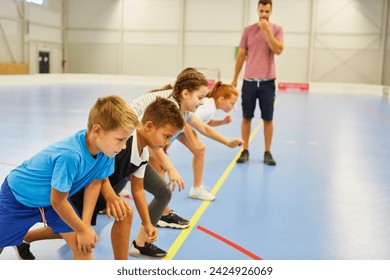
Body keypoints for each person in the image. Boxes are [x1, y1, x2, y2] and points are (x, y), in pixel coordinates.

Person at [7, 97, 185, 260]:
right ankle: (20, 237)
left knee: (84, 243)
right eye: (121, 139)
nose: (123, 146)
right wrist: (91, 220)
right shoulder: (79, 153)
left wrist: (85, 225)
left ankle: (24, 238)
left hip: (57, 200)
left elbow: (99, 181)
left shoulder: (112, 150)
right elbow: (62, 198)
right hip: (29, 197)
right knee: (77, 233)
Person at [131, 69, 244, 228]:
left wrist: (227, 142)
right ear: (185, 94)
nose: (203, 102)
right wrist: (171, 168)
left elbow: (204, 128)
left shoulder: (181, 108)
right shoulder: (170, 107)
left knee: (160, 191)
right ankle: (158, 219)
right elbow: (151, 142)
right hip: (126, 147)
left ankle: (156, 220)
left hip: (135, 148)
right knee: (156, 185)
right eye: (200, 97)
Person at [164, 81, 239, 202]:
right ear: (221, 99)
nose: (232, 107)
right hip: (177, 128)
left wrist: (222, 122)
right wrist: (194, 141)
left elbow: (204, 123)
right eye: (231, 103)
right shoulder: (208, 108)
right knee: (155, 157)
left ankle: (197, 188)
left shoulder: (211, 107)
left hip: (180, 130)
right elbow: (187, 120)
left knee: (200, 150)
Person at [232, 0, 284, 165]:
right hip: (249, 82)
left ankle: (267, 152)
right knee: (246, 117)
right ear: (257, 10)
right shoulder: (248, 31)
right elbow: (241, 56)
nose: (264, 14)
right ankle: (244, 150)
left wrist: (267, 31)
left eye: (267, 12)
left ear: (271, 12)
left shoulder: (277, 30)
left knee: (267, 119)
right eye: (261, 11)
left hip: (268, 82)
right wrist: (234, 79)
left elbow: (278, 50)